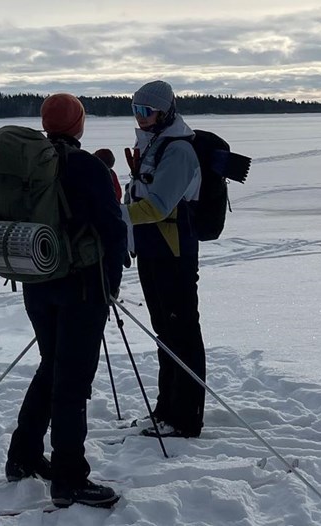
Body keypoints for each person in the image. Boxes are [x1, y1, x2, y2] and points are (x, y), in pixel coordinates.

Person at [4, 94, 126, 508]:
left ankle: (23, 455)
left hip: (36, 279)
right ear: (78, 125)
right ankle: (70, 476)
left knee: (52, 367)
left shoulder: (27, 163)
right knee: (72, 380)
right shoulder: (86, 165)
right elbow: (112, 226)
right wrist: (111, 282)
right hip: (81, 286)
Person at [122, 80, 206, 438]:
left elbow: (157, 206)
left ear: (165, 111)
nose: (140, 119)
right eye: (135, 111)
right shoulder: (154, 143)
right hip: (153, 249)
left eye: (146, 111)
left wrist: (118, 215)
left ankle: (186, 418)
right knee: (164, 332)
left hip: (175, 251)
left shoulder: (179, 151)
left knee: (182, 331)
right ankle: (166, 409)